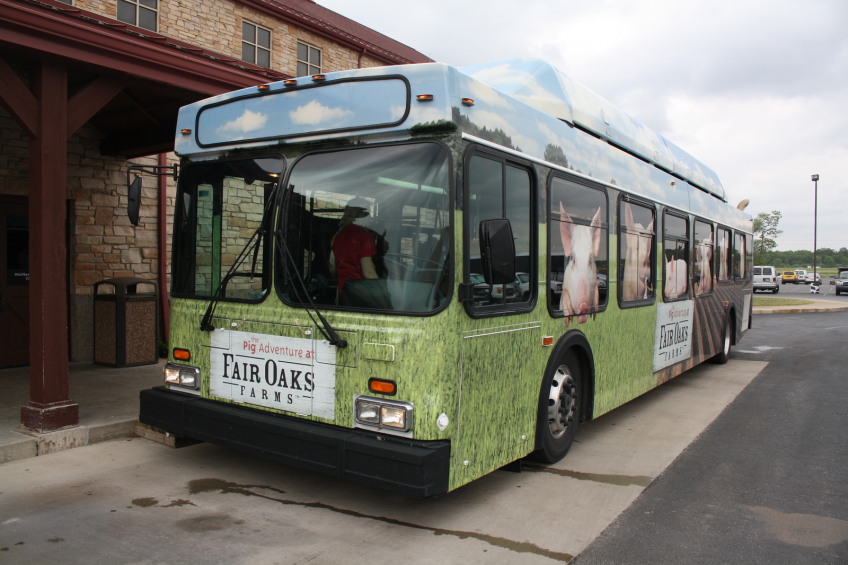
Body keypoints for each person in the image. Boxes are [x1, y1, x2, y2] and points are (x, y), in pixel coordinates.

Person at [329, 197, 379, 295]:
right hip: (362, 296)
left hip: (343, 295)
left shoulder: (337, 236)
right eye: (369, 213)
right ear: (361, 215)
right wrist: (384, 295)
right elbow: (369, 274)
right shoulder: (365, 237)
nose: (371, 217)